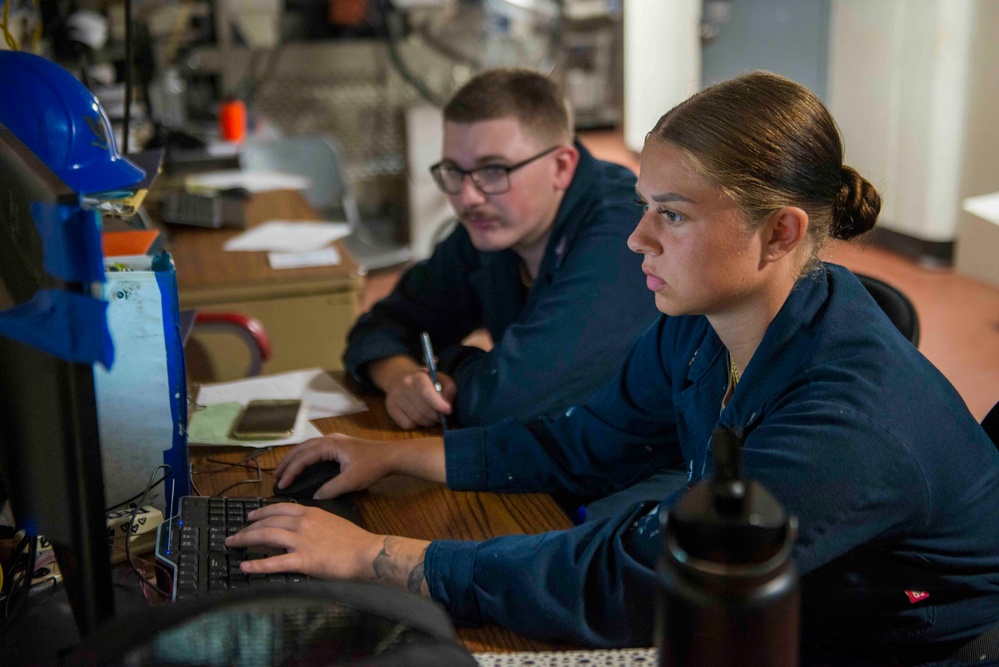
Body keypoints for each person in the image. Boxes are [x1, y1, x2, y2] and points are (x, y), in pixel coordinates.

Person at [228, 72, 999, 663]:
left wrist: (377, 556)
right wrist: (393, 456)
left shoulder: (849, 419)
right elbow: (579, 444)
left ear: (779, 233)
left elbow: (636, 578)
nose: (636, 239)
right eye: (641, 206)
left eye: (671, 214)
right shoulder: (699, 328)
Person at [342, 67, 658, 430]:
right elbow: (382, 324)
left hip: (664, 473)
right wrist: (400, 376)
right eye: (453, 171)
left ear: (561, 166)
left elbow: (514, 402)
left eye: (492, 170)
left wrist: (449, 366)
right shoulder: (495, 227)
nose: (466, 197)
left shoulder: (625, 231)